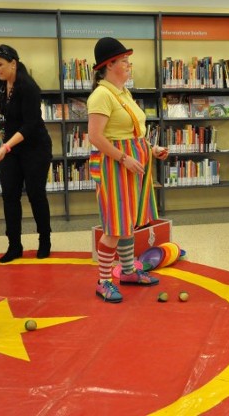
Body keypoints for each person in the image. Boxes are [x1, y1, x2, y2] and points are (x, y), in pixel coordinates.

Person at [88, 37, 169, 304]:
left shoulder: (122, 92)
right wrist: (124, 158)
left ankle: (129, 271)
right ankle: (103, 281)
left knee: (129, 221)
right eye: (124, 61)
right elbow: (96, 138)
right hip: (116, 165)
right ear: (109, 65)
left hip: (134, 161)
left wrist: (151, 149)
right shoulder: (101, 95)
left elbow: (133, 130)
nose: (129, 64)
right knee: (114, 224)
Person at [0, 44, 52, 263]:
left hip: (35, 147)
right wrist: (7, 146)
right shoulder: (3, 84)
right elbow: (11, 119)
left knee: (36, 195)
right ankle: (14, 245)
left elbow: (30, 125)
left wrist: (5, 147)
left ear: (13, 63)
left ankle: (45, 241)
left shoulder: (29, 87)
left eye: (0, 64)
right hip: (13, 149)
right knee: (9, 196)